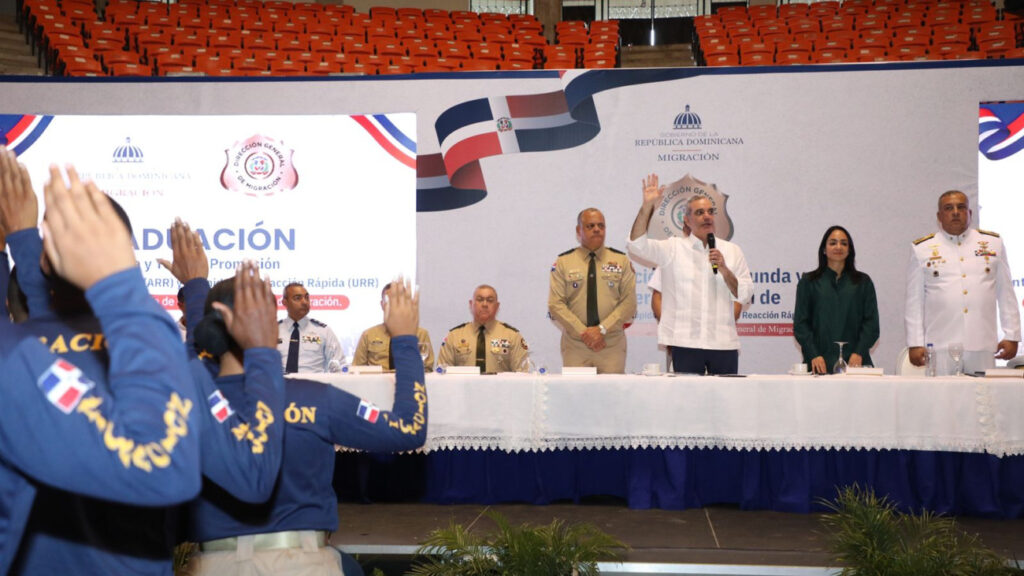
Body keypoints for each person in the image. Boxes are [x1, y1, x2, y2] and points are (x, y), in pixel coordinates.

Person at [0, 154, 202, 574]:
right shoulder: (151, 340)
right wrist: (189, 289)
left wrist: (21, 237)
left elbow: (45, 316)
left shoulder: (25, 347)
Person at [181, 278, 427, 576]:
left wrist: (196, 287)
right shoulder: (316, 400)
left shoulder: (188, 404)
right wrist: (404, 340)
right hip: (305, 564)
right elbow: (409, 428)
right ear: (272, 330)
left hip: (213, 565)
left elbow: (196, 359)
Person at [627, 173, 753, 374]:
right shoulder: (672, 249)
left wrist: (724, 269)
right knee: (685, 395)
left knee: (726, 395)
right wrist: (646, 207)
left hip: (723, 343)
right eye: (700, 212)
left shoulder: (732, 251)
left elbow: (744, 294)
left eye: (710, 211)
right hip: (684, 343)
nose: (707, 216)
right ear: (686, 220)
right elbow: (636, 245)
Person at [905, 190, 1021, 374]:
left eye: (961, 207)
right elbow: (914, 302)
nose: (955, 212)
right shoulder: (923, 248)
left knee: (983, 393)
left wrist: (1012, 334)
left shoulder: (993, 243)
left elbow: (1006, 293)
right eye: (948, 208)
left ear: (970, 213)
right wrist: (915, 343)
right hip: (940, 345)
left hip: (982, 343)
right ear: (939, 216)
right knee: (942, 393)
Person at [548, 208, 636, 373]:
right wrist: (584, 333)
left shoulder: (621, 261)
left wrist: (602, 329)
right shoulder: (563, 262)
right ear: (578, 230)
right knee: (575, 390)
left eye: (601, 226)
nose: (597, 229)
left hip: (611, 346)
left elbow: (629, 303)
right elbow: (556, 304)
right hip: (576, 346)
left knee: (612, 390)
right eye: (590, 226)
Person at [793, 226, 880, 375]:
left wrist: (859, 352)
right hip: (818, 364)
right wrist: (813, 354)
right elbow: (801, 325)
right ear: (824, 249)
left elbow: (871, 324)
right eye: (833, 243)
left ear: (849, 249)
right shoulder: (809, 282)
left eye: (844, 243)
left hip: (855, 363)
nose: (838, 247)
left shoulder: (863, 282)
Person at [437, 284, 529, 373]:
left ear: (497, 306)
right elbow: (442, 373)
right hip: (463, 384)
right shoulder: (454, 336)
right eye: (480, 299)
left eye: (490, 300)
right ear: (471, 304)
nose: (485, 304)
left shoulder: (513, 336)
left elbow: (522, 375)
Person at [353, 282, 434, 371]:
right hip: (376, 379)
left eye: (399, 301)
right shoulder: (368, 335)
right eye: (388, 300)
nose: (393, 305)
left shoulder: (421, 334)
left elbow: (427, 370)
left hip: (409, 379)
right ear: (382, 304)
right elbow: (356, 370)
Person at [277, 282, 345, 373]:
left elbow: (340, 365)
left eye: (307, 297)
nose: (304, 302)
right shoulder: (273, 331)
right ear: (285, 302)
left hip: (314, 381)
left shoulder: (323, 331)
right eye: (297, 298)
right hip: (279, 381)